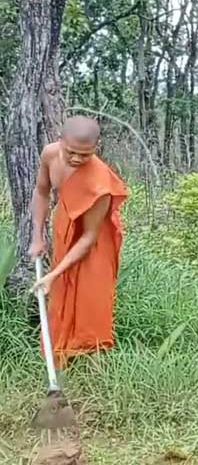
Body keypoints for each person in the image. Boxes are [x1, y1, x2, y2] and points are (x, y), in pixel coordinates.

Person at [29, 117, 130, 369]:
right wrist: (37, 236)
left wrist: (54, 274)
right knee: (62, 296)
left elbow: (89, 238)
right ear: (60, 141)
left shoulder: (101, 183)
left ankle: (94, 365)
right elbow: (42, 192)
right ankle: (63, 359)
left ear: (97, 146)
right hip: (66, 224)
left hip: (93, 242)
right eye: (70, 152)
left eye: (84, 155)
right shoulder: (50, 154)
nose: (75, 159)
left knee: (90, 301)